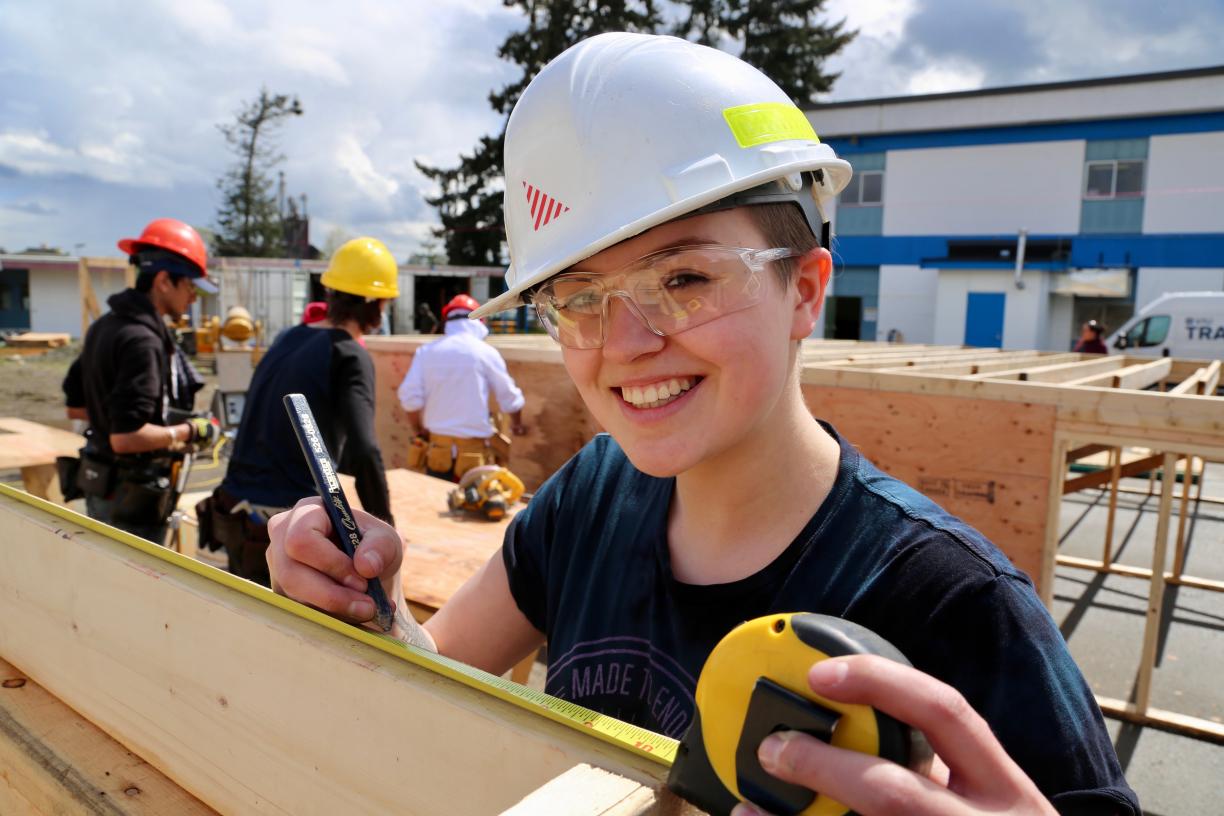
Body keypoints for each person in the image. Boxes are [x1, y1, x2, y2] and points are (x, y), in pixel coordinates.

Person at [266, 33, 1137, 815]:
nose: (625, 346)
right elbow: (440, 682)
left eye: (683, 279)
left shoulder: (952, 604)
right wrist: (362, 612)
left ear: (804, 289)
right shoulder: (590, 500)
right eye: (577, 300)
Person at [208, 237, 397, 586]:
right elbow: (364, 450)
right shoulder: (349, 354)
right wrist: (384, 530)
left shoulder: (288, 338)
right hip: (285, 530)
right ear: (376, 305)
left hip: (235, 512)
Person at [62, 218, 221, 544]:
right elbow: (127, 438)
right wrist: (189, 431)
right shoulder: (143, 341)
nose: (193, 298)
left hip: (103, 486)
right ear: (163, 281)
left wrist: (116, 423)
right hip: (132, 503)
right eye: (190, 286)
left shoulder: (105, 326)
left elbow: (77, 407)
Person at [396, 293, 527, 482]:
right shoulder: (484, 352)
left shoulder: (426, 352)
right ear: (479, 321)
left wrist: (418, 429)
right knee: (475, 507)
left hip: (438, 454)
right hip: (475, 457)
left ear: (447, 321)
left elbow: (410, 398)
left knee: (436, 505)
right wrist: (517, 425)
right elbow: (510, 398)